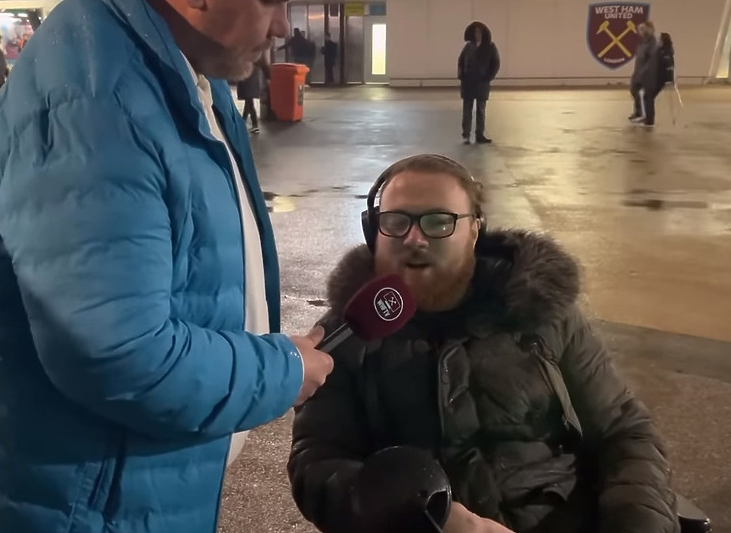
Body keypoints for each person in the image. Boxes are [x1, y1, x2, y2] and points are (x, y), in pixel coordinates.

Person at [0, 0, 334, 532]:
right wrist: (283, 369)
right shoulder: (97, 103)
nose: (285, 27)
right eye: (271, 2)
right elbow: (120, 355)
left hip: (121, 478)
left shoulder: (180, 66)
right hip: (85, 504)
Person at [288, 154, 679, 533]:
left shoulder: (541, 313)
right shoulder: (345, 335)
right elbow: (318, 463)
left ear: (475, 230)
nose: (415, 239)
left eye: (439, 221)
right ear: (373, 230)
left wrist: (635, 521)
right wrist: (417, 514)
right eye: (396, 221)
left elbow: (623, 430)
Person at [457, 22, 500, 144]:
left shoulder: (490, 47)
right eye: (475, 32)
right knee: (467, 110)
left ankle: (479, 134)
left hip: (482, 83)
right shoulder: (468, 47)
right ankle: (466, 135)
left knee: (481, 110)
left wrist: (488, 77)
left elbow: (495, 64)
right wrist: (461, 75)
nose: (477, 35)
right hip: (468, 83)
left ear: (484, 34)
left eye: (479, 32)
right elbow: (460, 61)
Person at [629, 21, 659, 126]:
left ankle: (649, 120)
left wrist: (644, 73)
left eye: (643, 29)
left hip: (649, 74)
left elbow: (652, 60)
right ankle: (639, 113)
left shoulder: (653, 43)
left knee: (648, 97)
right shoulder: (641, 42)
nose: (640, 31)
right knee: (634, 90)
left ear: (649, 29)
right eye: (639, 29)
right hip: (638, 72)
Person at [237, 51, 270, 134]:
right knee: (248, 102)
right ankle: (245, 123)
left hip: (249, 78)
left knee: (249, 101)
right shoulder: (255, 55)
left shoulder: (251, 54)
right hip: (250, 78)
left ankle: (248, 124)